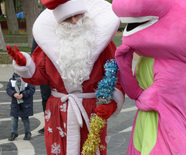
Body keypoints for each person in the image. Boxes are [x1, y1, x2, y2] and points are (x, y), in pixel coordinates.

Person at [6, 0, 124, 154]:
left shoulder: (103, 44)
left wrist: (111, 103)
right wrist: (24, 65)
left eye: (78, 15)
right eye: (68, 18)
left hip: (92, 110)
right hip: (58, 112)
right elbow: (39, 76)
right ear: (60, 22)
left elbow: (115, 75)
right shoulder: (48, 46)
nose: (75, 21)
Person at [112, 0, 186, 154]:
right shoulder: (147, 57)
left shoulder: (177, 64)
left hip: (166, 125)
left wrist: (139, 95)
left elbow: (151, 99)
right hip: (145, 122)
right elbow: (135, 94)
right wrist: (124, 65)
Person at [6, 72, 35, 141]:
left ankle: (27, 132)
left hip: (25, 103)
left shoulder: (28, 80)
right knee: (14, 118)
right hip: (15, 103)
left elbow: (31, 89)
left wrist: (23, 94)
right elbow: (8, 89)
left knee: (25, 118)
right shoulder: (12, 80)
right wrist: (13, 94)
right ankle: (14, 132)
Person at [31, 38, 51, 134]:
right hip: (44, 71)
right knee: (45, 98)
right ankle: (48, 123)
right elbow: (33, 53)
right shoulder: (39, 32)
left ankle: (62, 122)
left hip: (60, 70)